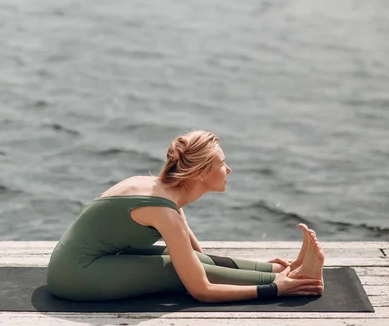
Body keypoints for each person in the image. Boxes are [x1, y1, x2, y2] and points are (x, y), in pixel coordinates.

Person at [46, 130, 324, 303]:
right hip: (75, 276)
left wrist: (266, 269)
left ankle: (290, 271)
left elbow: (197, 255)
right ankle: (299, 281)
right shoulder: (163, 210)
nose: (229, 170)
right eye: (222, 164)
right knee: (173, 271)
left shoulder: (164, 191)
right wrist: (276, 289)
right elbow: (201, 289)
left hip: (87, 261)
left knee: (185, 261)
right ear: (201, 173)